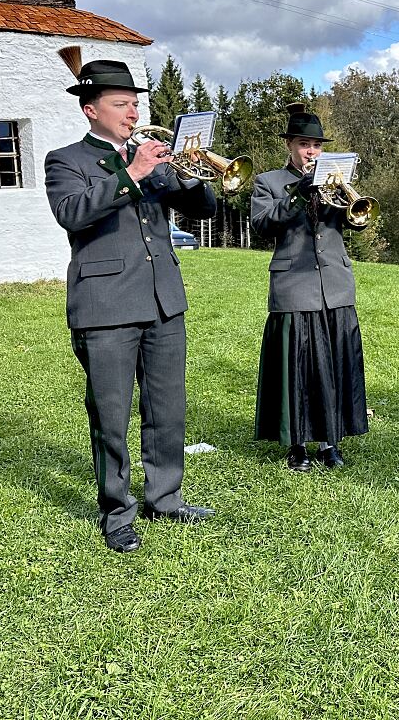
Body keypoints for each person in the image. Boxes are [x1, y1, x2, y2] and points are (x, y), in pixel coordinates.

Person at [44, 59, 217, 554]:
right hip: (105, 305)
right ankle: (117, 511)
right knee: (112, 414)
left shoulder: (149, 155)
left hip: (163, 299)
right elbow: (71, 213)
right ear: (90, 109)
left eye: (135, 102)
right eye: (121, 104)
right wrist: (133, 174)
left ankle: (165, 497)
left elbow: (204, 210)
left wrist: (192, 170)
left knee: (167, 409)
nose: (132, 111)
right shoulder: (66, 159)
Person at [251, 102, 369, 471]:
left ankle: (330, 441)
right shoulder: (268, 182)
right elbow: (263, 224)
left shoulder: (336, 180)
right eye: (304, 144)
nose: (311, 151)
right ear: (289, 144)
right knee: (296, 370)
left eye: (317, 145)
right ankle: (297, 445)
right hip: (294, 287)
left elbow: (356, 221)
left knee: (334, 365)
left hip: (335, 286)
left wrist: (351, 200)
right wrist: (299, 193)